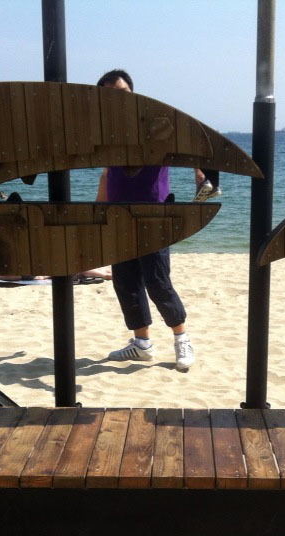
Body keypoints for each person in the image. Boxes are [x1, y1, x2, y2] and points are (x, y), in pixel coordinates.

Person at [96, 69, 195, 371]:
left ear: (133, 93)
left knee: (158, 281)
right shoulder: (104, 132)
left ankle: (181, 340)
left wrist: (201, 173)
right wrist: (98, 213)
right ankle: (142, 345)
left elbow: (191, 142)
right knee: (126, 282)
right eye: (110, 96)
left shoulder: (153, 124)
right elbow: (106, 173)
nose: (118, 100)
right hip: (118, 216)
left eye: (122, 93)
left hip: (154, 214)